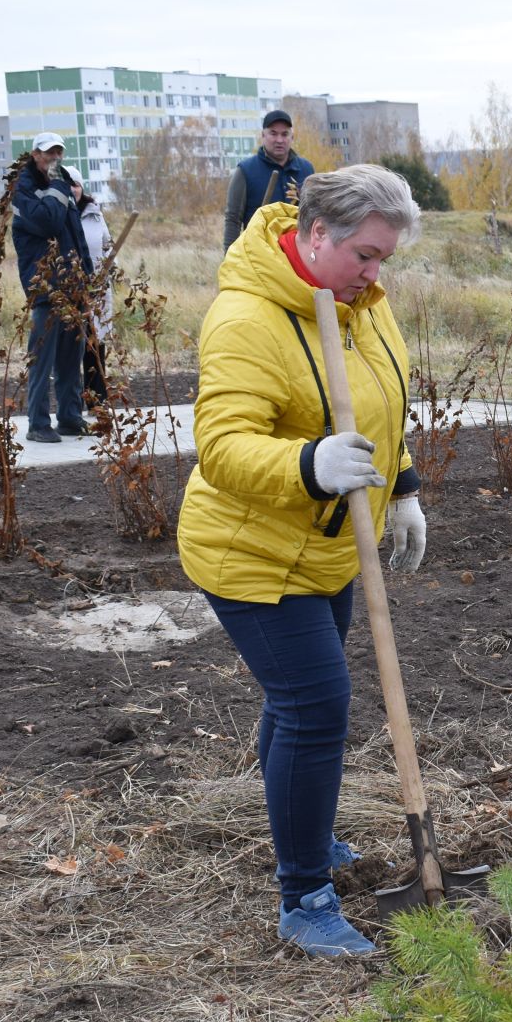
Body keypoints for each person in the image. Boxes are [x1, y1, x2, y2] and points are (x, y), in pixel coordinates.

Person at [178, 164, 429, 959]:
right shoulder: (245, 319)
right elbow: (221, 446)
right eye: (363, 253)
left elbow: (381, 406)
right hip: (252, 553)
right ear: (314, 233)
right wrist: (309, 466)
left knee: (298, 707)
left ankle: (304, 826)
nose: (374, 273)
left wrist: (405, 487)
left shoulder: (363, 306)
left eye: (384, 257)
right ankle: (304, 894)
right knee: (316, 706)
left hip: (326, 547)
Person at [11, 132, 93, 443]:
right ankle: (37, 423)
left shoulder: (60, 186)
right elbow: (46, 221)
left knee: (72, 355)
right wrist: (61, 188)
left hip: (72, 284)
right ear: (35, 154)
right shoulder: (23, 190)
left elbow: (75, 236)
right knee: (42, 358)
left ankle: (70, 417)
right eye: (48, 152)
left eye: (58, 152)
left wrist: (86, 279)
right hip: (45, 285)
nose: (54, 157)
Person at [224, 109, 316, 250]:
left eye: (284, 134)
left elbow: (314, 216)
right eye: (273, 133)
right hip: (260, 252)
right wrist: (230, 260)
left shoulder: (306, 170)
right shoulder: (246, 171)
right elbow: (233, 219)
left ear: (292, 137)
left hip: (298, 255)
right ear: (263, 135)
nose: (279, 140)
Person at [63, 164, 113, 403]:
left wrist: (105, 276)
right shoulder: (58, 214)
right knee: (74, 347)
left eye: (76, 184)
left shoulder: (95, 213)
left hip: (97, 289)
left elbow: (107, 246)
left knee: (96, 344)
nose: (73, 189)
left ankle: (97, 400)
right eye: (68, 185)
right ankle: (74, 403)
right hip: (71, 291)